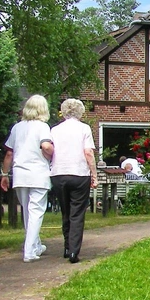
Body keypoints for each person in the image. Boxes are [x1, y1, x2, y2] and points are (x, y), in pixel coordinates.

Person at [0, 95, 54, 263]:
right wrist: (52, 153)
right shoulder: (43, 127)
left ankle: (36, 245)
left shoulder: (17, 128)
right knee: (36, 212)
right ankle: (29, 251)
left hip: (20, 174)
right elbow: (46, 146)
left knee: (27, 212)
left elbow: (9, 153)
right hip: (38, 173)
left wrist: (4, 174)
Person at [50, 98, 98, 264]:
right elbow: (88, 153)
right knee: (77, 213)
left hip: (58, 174)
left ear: (63, 112)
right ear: (80, 112)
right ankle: (73, 252)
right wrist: (94, 175)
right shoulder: (84, 128)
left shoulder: (54, 130)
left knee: (65, 211)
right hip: (78, 174)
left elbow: (49, 151)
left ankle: (66, 246)